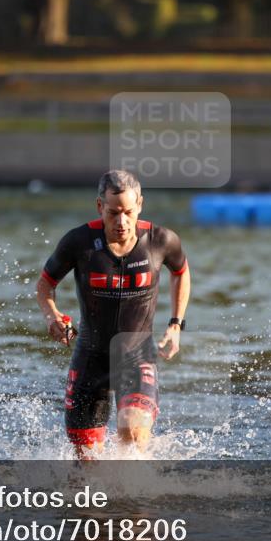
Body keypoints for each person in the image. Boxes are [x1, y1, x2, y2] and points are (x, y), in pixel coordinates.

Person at [36, 170, 191, 459]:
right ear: (99, 207)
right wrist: (52, 316)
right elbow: (46, 284)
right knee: (87, 463)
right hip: (90, 357)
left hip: (136, 356)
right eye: (113, 213)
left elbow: (181, 272)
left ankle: (134, 502)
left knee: (132, 435)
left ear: (140, 205)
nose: (121, 222)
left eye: (128, 212)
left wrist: (176, 323)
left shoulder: (161, 240)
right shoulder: (78, 242)